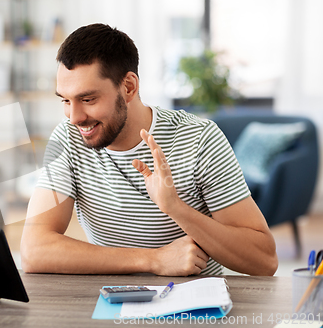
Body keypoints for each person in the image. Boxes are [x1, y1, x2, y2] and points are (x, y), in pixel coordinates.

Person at [20, 23, 278, 276]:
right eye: (66, 100)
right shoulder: (68, 138)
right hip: (111, 306)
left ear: (129, 87)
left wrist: (176, 208)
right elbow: (34, 250)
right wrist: (154, 259)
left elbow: (264, 261)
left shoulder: (198, 139)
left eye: (88, 99)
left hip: (194, 307)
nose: (74, 117)